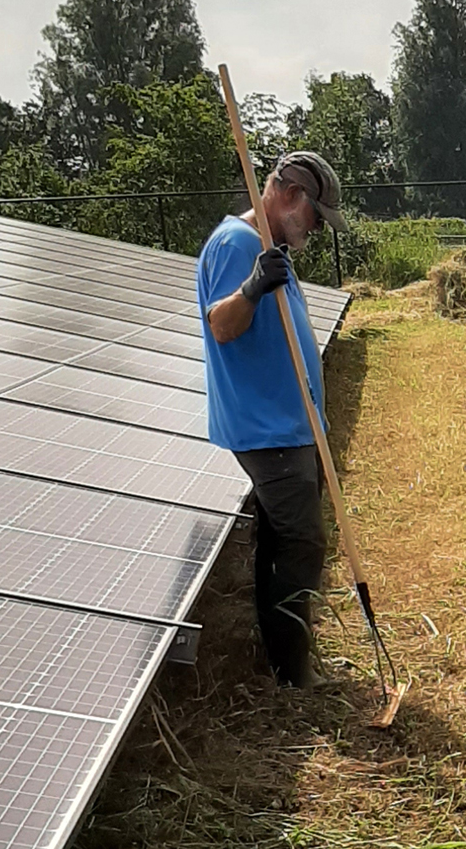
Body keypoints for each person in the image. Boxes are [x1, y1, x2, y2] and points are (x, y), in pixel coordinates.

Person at [197, 150, 349, 688]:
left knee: (282, 541)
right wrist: (252, 286)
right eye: (314, 215)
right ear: (288, 196)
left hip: (287, 426)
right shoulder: (238, 244)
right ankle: (293, 671)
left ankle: (283, 659)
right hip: (268, 430)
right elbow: (221, 324)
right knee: (302, 543)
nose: (315, 228)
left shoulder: (268, 246)